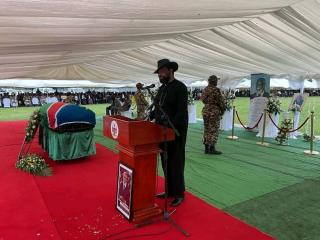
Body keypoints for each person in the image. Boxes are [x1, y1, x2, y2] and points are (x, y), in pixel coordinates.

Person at [152, 59, 188, 207]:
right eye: (159, 72)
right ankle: (169, 190)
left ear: (170, 70)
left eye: (162, 72)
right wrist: (152, 116)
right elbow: (158, 108)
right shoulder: (162, 89)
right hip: (162, 132)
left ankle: (179, 193)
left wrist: (170, 127)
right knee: (165, 161)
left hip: (176, 131)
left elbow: (180, 113)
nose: (160, 75)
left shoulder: (180, 88)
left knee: (176, 162)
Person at [201, 75, 225, 154]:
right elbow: (220, 102)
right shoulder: (216, 90)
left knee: (207, 129)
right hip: (214, 112)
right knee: (213, 130)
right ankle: (211, 148)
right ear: (214, 81)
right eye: (216, 81)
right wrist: (222, 110)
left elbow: (203, 100)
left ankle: (206, 148)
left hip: (206, 110)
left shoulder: (205, 89)